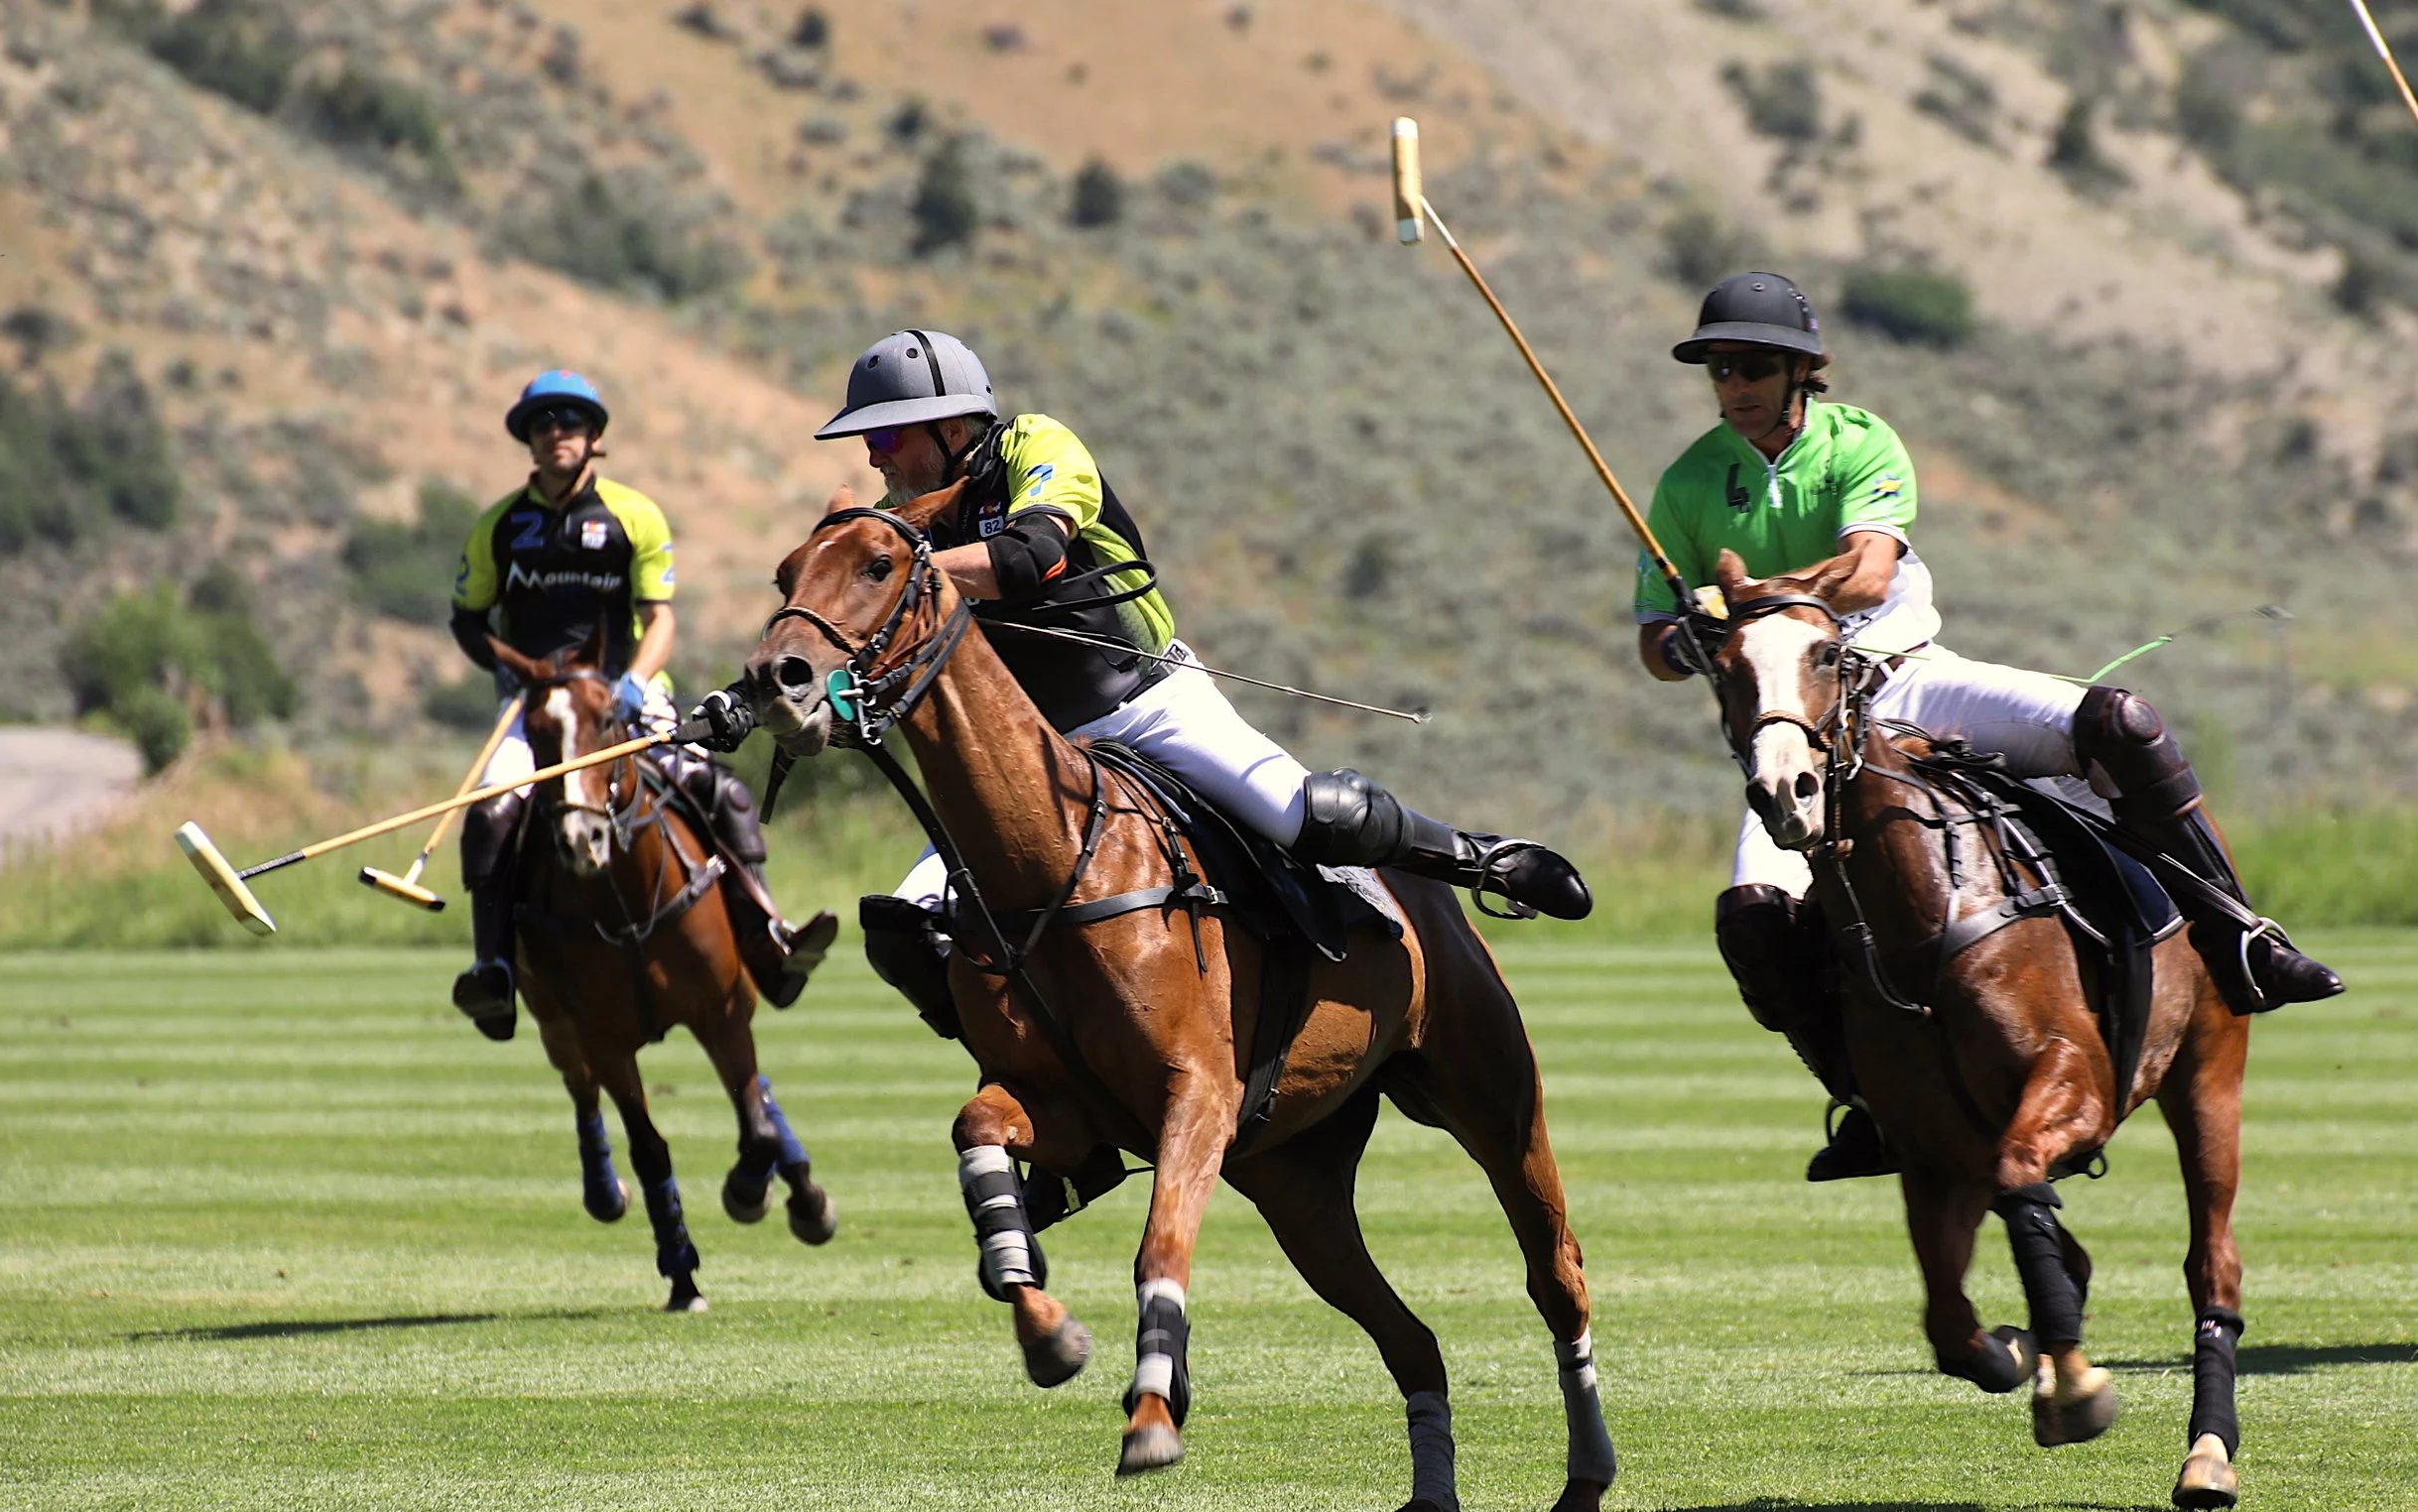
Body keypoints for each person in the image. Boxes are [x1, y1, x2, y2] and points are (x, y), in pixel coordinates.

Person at [1633, 274, 2341, 1181]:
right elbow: (1653, 644)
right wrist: (1690, 641)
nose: (1735, 384)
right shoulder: (1689, 483)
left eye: (1755, 365)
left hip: (1912, 684)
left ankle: (2242, 937)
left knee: (2121, 723)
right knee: (1753, 920)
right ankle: (1866, 1098)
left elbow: (1869, 575)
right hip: (1805, 734)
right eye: (1720, 367)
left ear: (1803, 370)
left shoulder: (1860, 443)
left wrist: (1761, 601)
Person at [802, 329, 1591, 1038]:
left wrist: (900, 576)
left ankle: (1477, 858)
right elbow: (866, 656)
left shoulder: (1033, 447)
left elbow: (1027, 555)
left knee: (1308, 813)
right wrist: (821, 701)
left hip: (1146, 703)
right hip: (1038, 757)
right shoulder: (899, 531)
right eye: (870, 442)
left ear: (952, 424)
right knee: (903, 929)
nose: (875, 457)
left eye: (887, 434)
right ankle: (1038, 1077)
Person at [445, 369, 826, 1041]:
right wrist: (508, 671)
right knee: (491, 811)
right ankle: (494, 970)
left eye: (569, 422)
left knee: (715, 788)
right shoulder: (499, 527)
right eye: (542, 424)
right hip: (538, 707)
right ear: (529, 442)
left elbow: (661, 616)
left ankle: (769, 933)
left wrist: (634, 678)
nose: (556, 433)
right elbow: (468, 620)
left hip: (624, 689)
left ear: (593, 437)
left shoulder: (633, 514)